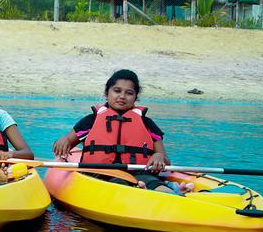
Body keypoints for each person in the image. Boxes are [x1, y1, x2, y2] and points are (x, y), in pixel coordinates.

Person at [51, 69, 182, 192]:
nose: (122, 96)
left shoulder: (147, 123)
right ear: (107, 93)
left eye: (129, 93)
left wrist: (159, 156)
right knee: (119, 182)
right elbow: (67, 142)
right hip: (101, 173)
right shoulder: (91, 120)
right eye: (117, 91)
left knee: (155, 184)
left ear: (136, 97)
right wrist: (63, 140)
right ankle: (138, 189)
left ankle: (172, 192)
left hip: (140, 172)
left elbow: (164, 159)